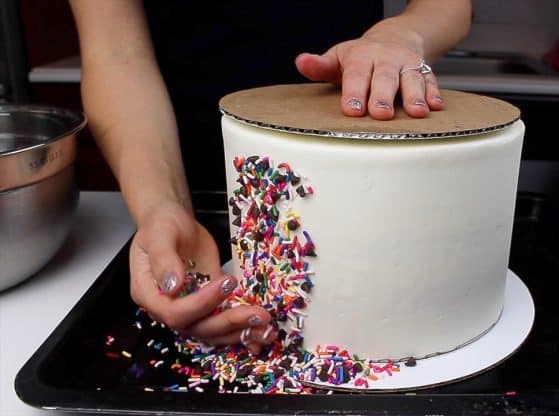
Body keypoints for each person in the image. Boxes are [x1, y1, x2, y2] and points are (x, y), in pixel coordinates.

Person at [69, 0, 472, 354]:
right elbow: (116, 52)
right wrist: (162, 206)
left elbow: (447, 5)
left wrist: (399, 36)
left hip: (359, 142)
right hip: (190, 171)